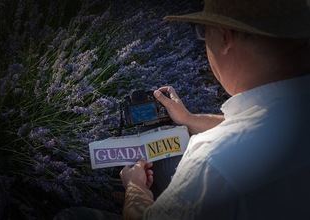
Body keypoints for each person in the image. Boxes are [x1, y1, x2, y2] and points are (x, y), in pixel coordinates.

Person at [120, 0, 310, 220]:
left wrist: (135, 188)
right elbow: (264, 124)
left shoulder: (212, 160)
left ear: (224, 37)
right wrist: (189, 119)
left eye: (203, 32)